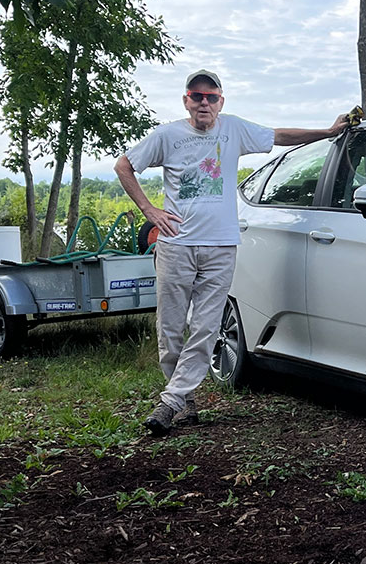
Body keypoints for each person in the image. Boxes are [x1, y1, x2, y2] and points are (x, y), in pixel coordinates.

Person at [115, 71, 350, 435]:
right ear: (186, 100)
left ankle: (172, 401)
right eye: (197, 96)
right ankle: (185, 398)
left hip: (222, 245)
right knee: (170, 326)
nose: (204, 103)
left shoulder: (235, 129)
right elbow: (124, 165)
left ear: (221, 101)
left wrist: (327, 132)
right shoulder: (167, 136)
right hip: (176, 245)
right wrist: (149, 210)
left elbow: (280, 136)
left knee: (207, 326)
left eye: (211, 97)